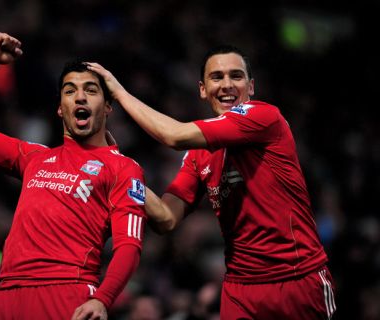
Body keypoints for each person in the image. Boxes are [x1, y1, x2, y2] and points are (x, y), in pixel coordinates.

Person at [87, 45, 337, 320]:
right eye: (217, 77)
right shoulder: (198, 155)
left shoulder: (264, 117)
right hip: (240, 290)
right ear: (203, 89)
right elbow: (167, 217)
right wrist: (121, 170)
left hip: (297, 279)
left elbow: (175, 136)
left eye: (236, 76)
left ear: (251, 86)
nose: (227, 85)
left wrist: (119, 93)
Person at [0, 32, 147, 320]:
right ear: (59, 109)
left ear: (107, 107)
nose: (79, 96)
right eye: (69, 91)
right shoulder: (35, 157)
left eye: (91, 90)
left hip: (67, 292)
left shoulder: (124, 168)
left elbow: (129, 245)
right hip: (7, 294)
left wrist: (103, 299)